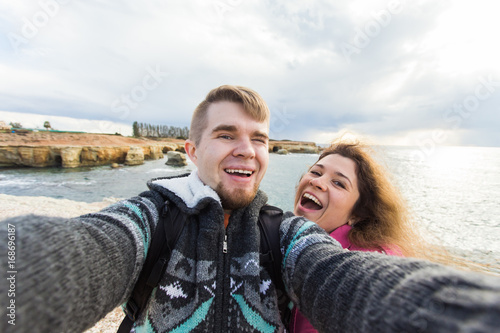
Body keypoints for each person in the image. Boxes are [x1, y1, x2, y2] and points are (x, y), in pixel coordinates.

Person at [1, 85, 500, 333]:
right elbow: (90, 246)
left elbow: (343, 275)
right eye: (226, 135)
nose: (248, 149)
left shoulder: (283, 235)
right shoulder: (153, 216)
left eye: (259, 139)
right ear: (192, 152)